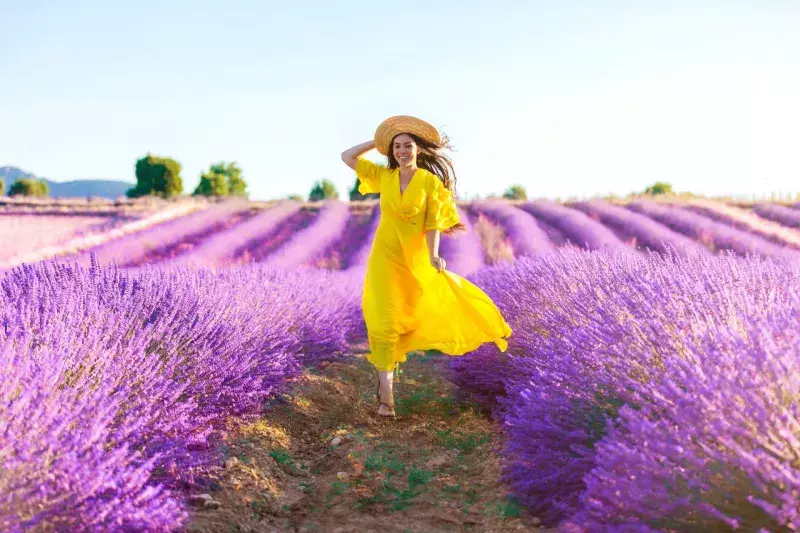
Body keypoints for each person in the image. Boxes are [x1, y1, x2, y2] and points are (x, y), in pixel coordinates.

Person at [341, 115, 512, 417]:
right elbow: (347, 156)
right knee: (382, 321)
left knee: (413, 314)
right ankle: (386, 398)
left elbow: (433, 222)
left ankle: (394, 373)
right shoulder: (385, 177)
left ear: (418, 149)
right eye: (397, 146)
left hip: (415, 257)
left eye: (407, 145)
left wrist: (434, 255)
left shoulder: (430, 182)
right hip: (384, 257)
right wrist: (378, 142)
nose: (402, 151)